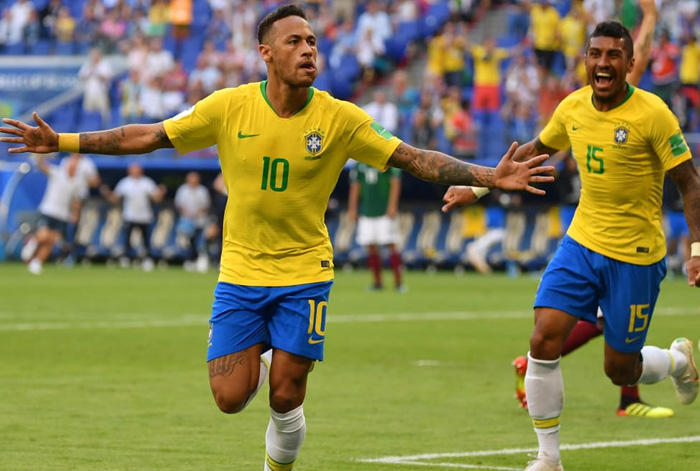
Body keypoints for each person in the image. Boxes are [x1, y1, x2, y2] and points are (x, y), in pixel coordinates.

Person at [0, 5, 555, 470]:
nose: (309, 50)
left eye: (313, 41)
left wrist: (488, 175)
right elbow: (150, 136)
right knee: (228, 398)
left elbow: (414, 158)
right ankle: (262, 357)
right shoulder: (228, 107)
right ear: (266, 53)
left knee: (286, 395)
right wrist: (64, 141)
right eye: (295, 42)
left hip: (305, 272)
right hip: (240, 273)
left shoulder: (341, 118)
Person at [452, 20, 700, 471]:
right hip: (581, 244)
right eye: (595, 54)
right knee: (543, 339)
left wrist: (697, 251)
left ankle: (677, 361)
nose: (603, 63)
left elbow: (690, 183)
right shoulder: (572, 107)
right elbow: (534, 150)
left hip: (636, 257)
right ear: (585, 60)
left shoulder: (654, 114)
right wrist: (479, 185)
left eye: (613, 55)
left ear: (629, 63)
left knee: (620, 370)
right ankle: (548, 459)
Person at [25, 154, 87, 275]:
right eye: (71, 166)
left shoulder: (77, 183)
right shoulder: (57, 173)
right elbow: (42, 166)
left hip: (62, 216)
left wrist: (75, 214)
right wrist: (39, 155)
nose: (73, 168)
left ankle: (37, 262)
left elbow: (76, 201)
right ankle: (32, 244)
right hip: (49, 211)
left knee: (51, 241)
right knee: (43, 235)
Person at [347, 161, 404, 291]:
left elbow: (395, 182)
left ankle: (398, 282)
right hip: (366, 211)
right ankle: (377, 282)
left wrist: (392, 206)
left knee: (391, 244)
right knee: (370, 246)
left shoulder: (386, 162)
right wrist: (352, 208)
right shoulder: (359, 165)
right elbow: (355, 186)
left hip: (384, 211)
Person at [100, 162, 166, 269]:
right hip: (129, 216)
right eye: (133, 170)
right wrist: (107, 193)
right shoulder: (124, 183)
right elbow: (115, 198)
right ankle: (126, 259)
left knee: (146, 241)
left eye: (137, 170)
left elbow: (156, 198)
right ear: (129, 171)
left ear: (141, 171)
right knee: (127, 240)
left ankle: (147, 259)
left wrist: (161, 192)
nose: (135, 172)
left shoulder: (147, 182)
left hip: (144, 216)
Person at [174, 171, 211, 272]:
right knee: (186, 242)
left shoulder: (202, 191)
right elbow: (179, 204)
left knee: (200, 241)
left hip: (199, 220)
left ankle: (201, 260)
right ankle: (189, 260)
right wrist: (188, 214)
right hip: (186, 220)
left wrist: (196, 214)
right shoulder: (182, 190)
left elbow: (205, 205)